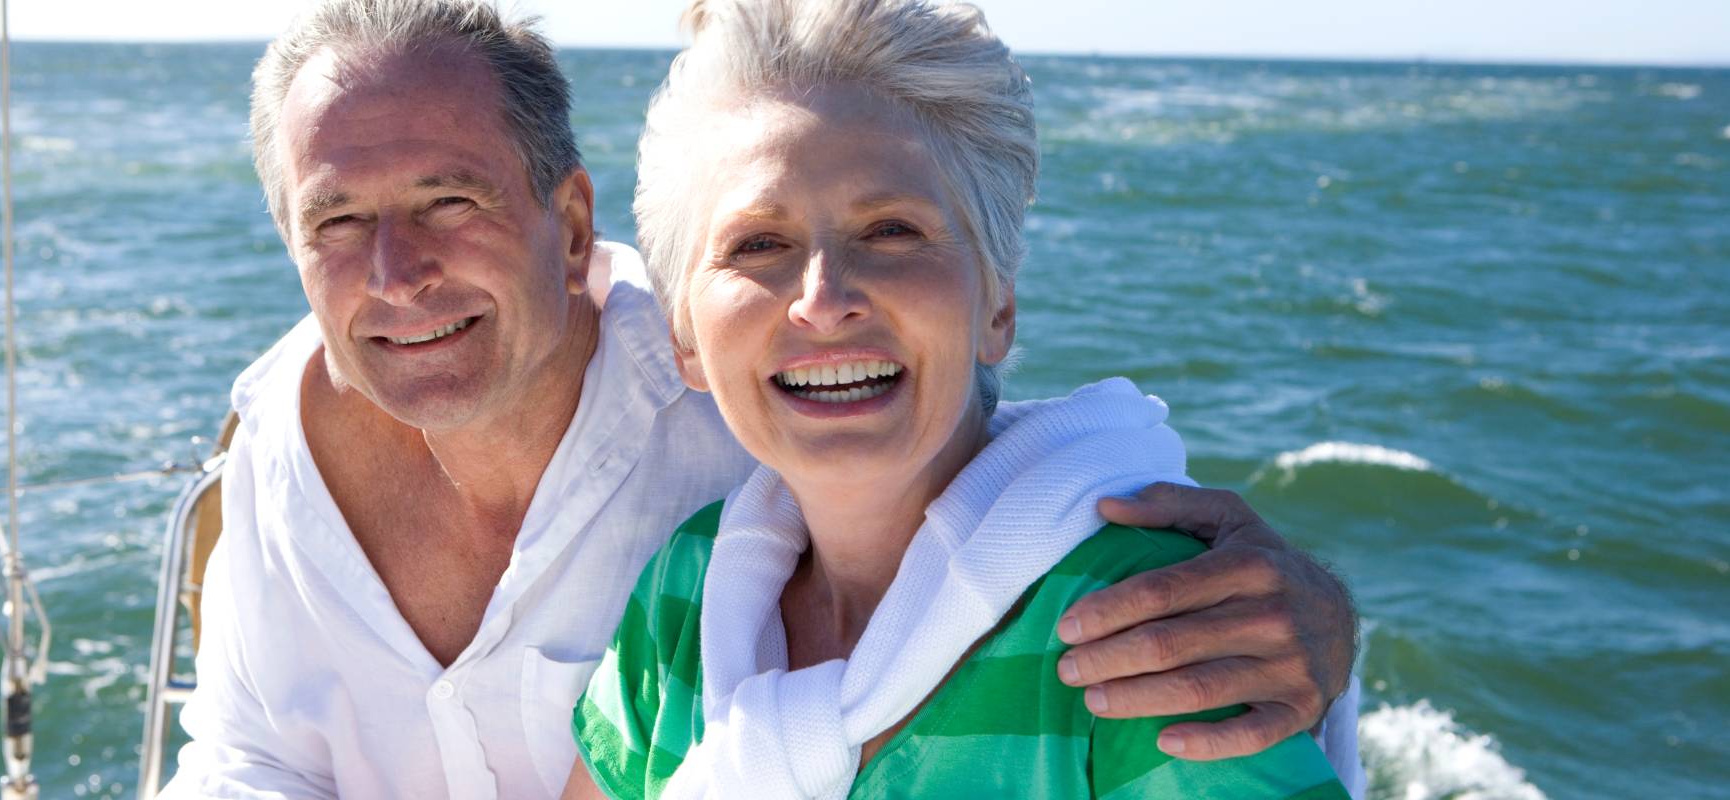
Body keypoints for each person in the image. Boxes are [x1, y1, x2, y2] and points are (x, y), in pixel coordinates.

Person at [163, 1, 1361, 798]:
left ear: (572, 226)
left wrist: (1320, 623)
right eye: (335, 221)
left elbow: (952, 457)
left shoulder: (1126, 638)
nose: (822, 298)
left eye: (450, 200)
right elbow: (243, 755)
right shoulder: (684, 603)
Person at [560, 2, 1359, 797]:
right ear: (687, 342)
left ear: (997, 308)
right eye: (757, 244)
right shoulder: (685, 592)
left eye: (892, 231)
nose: (825, 297)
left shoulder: (1143, 622)